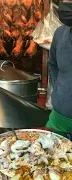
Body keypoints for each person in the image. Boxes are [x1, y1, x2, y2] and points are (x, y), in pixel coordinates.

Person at [46, 0, 72, 137]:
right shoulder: (60, 34)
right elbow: (52, 64)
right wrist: (58, 89)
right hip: (59, 117)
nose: (66, 3)